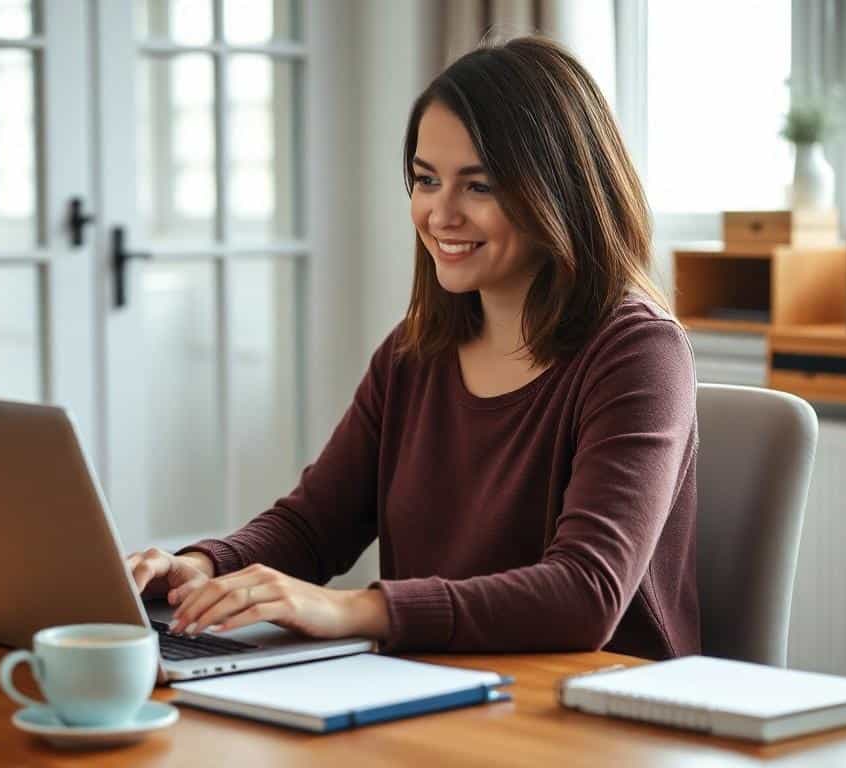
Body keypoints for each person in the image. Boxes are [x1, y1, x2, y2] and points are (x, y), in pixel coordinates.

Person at [127, 36, 699, 659]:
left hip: (592, 714)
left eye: (478, 186)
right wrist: (206, 565)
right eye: (426, 180)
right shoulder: (414, 353)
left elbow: (585, 594)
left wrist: (354, 608)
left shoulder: (638, 353)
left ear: (557, 190)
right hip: (435, 689)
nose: (439, 213)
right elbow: (314, 524)